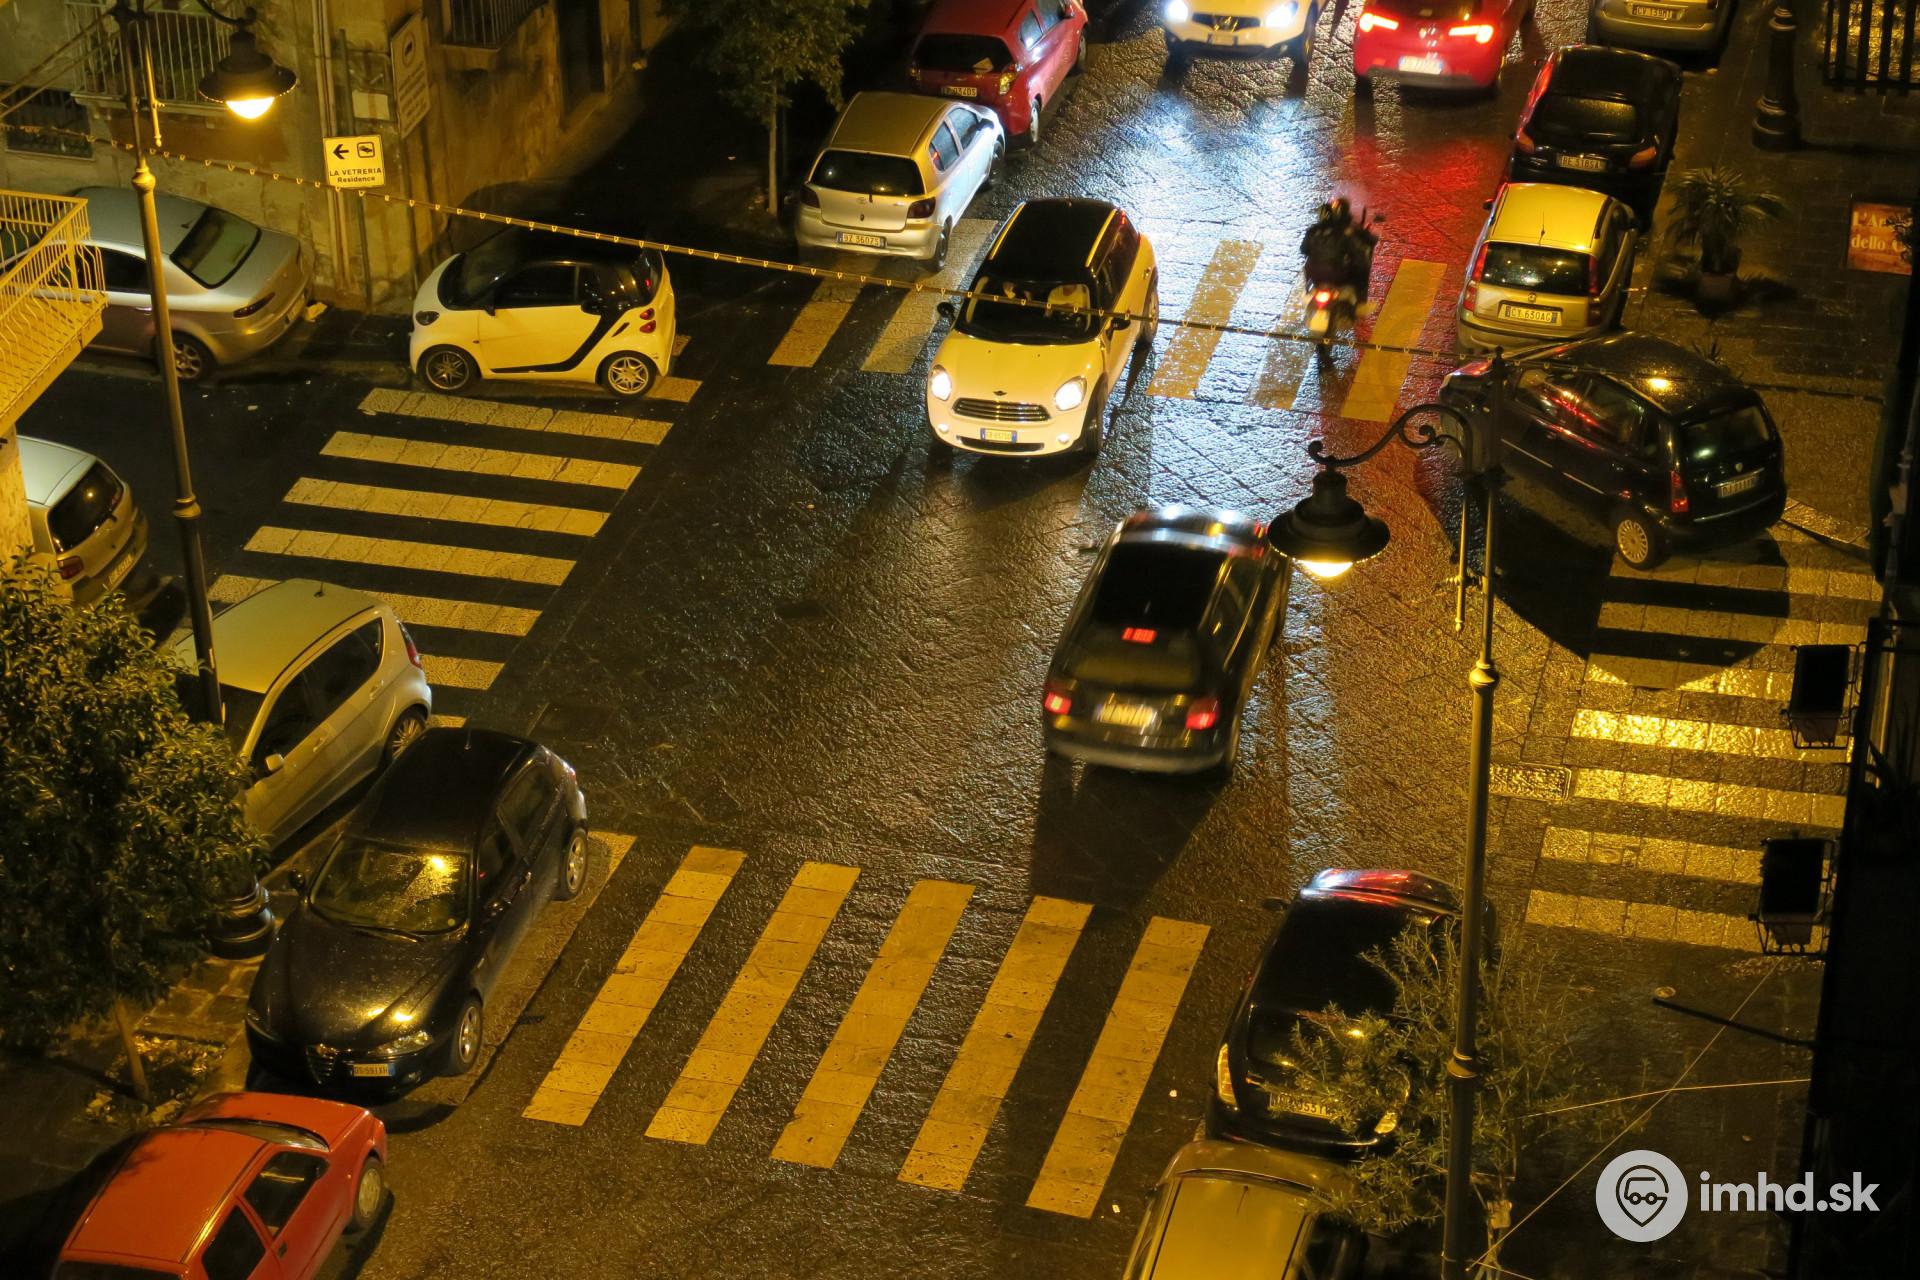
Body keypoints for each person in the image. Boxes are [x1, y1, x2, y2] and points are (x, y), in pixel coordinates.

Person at [1299, 197, 1377, 305]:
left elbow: (1303, 250)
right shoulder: (1344, 232)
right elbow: (1357, 251)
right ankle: (1361, 302)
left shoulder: (1312, 231)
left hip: (1314, 276)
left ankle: (1308, 291)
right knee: (1362, 269)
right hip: (1336, 274)